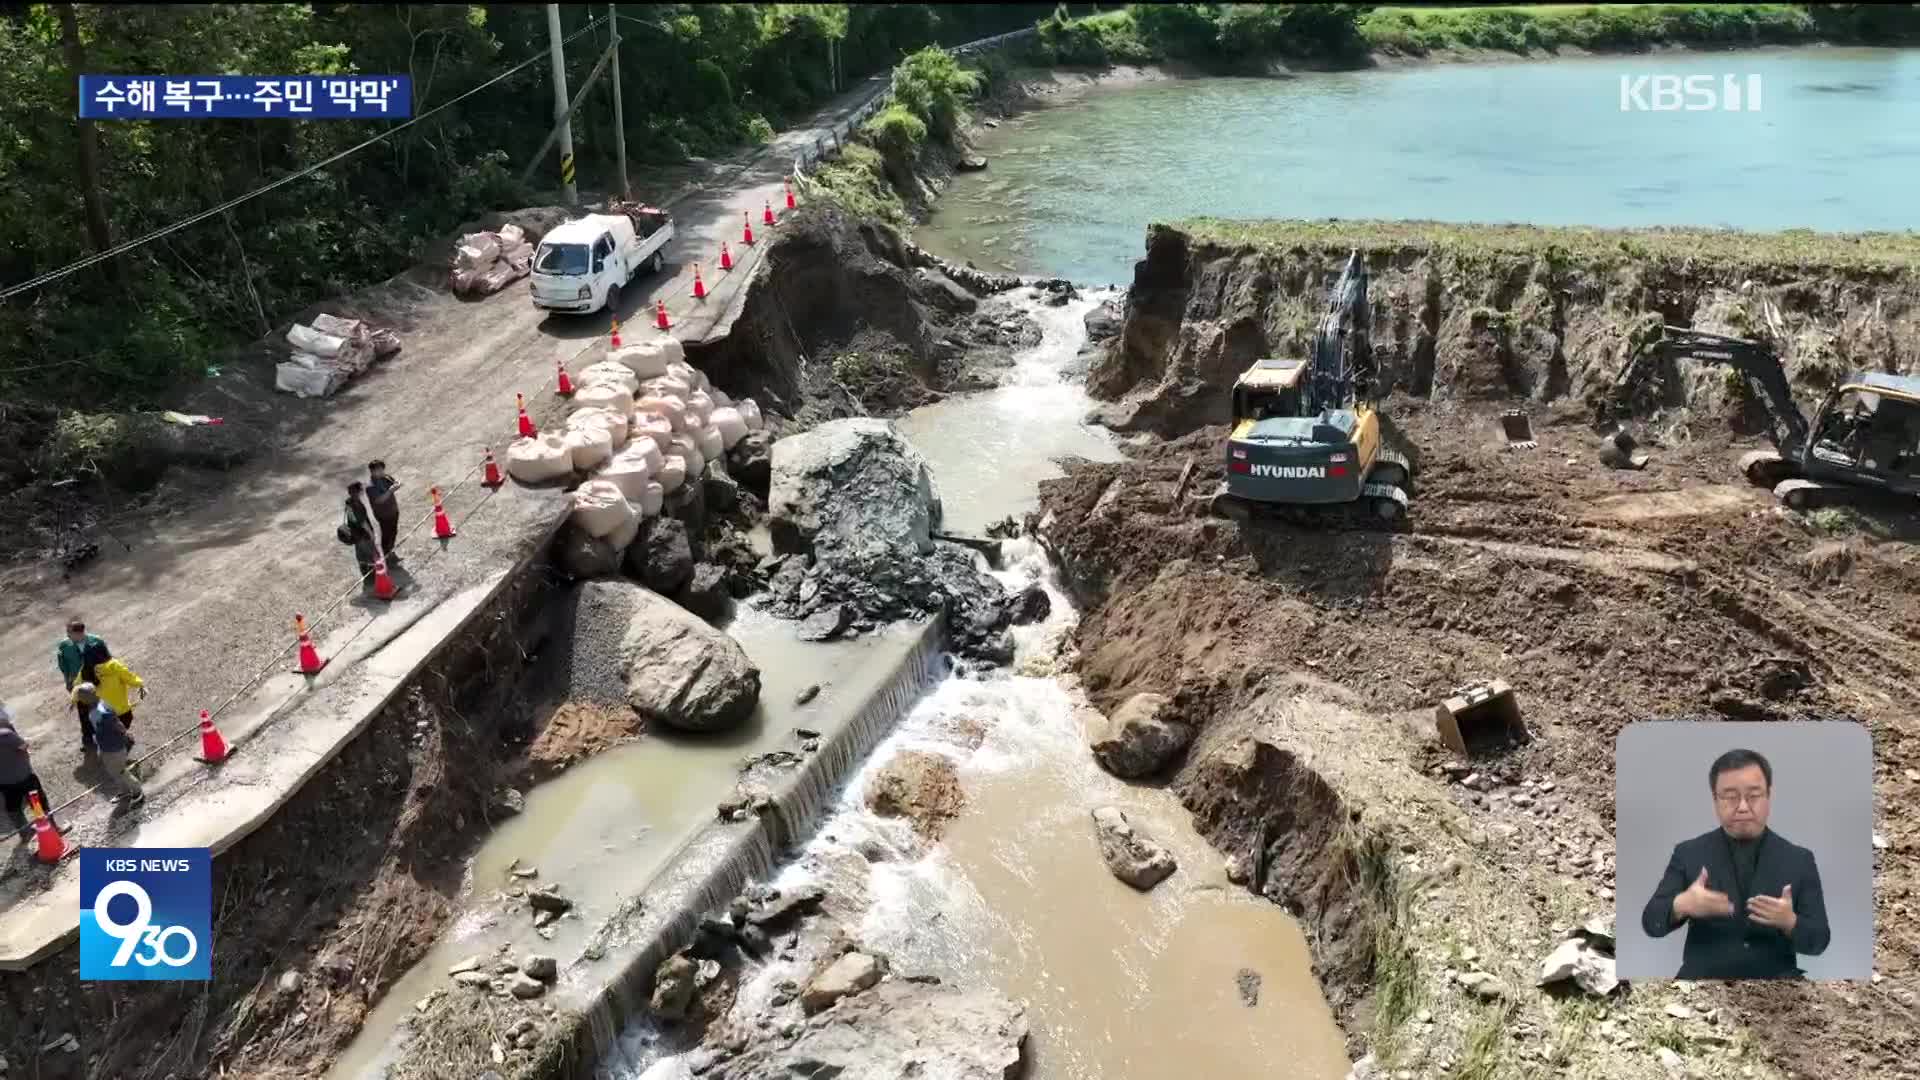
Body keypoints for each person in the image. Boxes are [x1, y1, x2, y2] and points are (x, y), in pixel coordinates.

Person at [1640, 748, 1831, 979]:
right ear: (1715, 799)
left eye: (1753, 795)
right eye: (1730, 797)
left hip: (1778, 990)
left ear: (1768, 795)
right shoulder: (1688, 853)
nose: (1742, 806)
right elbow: (1651, 923)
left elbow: (1819, 941)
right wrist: (1682, 904)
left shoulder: (1800, 859)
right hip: (1703, 985)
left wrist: (1790, 922)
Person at [73, 685, 143, 806]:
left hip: (114, 747)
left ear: (86, 698)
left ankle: (137, 791)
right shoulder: (98, 705)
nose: (81, 701)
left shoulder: (101, 711)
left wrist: (125, 735)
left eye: (82, 698)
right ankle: (125, 791)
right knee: (112, 771)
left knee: (120, 771)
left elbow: (117, 724)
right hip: (106, 746)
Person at [0, 703, 59, 842]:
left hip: (4, 783)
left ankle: (25, 833)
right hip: (24, 776)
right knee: (37, 803)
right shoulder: (7, 735)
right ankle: (51, 827)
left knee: (13, 808)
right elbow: (23, 746)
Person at [55, 619, 112, 755]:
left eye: (70, 634)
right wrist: (69, 683)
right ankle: (88, 738)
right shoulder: (64, 646)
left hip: (97, 681)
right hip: (79, 684)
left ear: (79, 633)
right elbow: (63, 665)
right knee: (83, 711)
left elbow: (108, 658)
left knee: (102, 708)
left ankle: (108, 734)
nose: (68, 636)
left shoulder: (96, 641)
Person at [366, 459, 404, 564]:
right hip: (383, 515)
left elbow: (396, 482)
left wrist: (397, 484)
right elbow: (379, 500)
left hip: (393, 510)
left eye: (382, 470)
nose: (381, 472)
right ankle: (385, 557)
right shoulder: (370, 485)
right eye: (378, 470)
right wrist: (391, 490)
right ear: (372, 471)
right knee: (386, 535)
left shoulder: (385, 478)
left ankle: (390, 552)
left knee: (393, 532)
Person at [342, 481, 379, 583]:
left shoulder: (349, 502)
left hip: (355, 534)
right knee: (370, 553)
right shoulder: (357, 505)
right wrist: (371, 534)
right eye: (361, 490)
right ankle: (373, 574)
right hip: (363, 534)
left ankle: (364, 569)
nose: (363, 491)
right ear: (358, 492)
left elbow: (352, 519)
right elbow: (363, 522)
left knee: (360, 552)